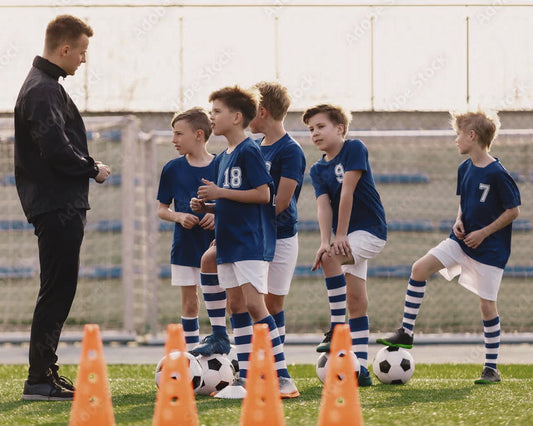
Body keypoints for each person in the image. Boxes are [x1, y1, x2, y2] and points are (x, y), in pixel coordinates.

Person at [377, 110, 520, 384]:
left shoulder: (498, 173)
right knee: (419, 269)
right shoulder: (464, 168)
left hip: (490, 252)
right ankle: (406, 332)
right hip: (460, 243)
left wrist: (484, 233)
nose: (455, 140)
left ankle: (491, 368)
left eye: (458, 134)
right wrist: (458, 220)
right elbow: (463, 202)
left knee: (487, 307)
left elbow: (513, 211)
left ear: (472, 135)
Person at [14, 15, 111, 401]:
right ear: (65, 49)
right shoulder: (43, 89)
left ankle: (44, 372)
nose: (84, 61)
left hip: (57, 203)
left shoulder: (46, 86)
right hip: (56, 205)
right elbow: (54, 148)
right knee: (57, 289)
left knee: (58, 288)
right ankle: (39, 379)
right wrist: (93, 168)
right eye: (82, 52)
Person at [190, 85, 299, 399]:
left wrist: (220, 194)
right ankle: (247, 379)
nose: (212, 117)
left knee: (254, 305)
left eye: (217, 112)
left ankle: (283, 379)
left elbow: (264, 195)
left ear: (237, 117)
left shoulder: (249, 150)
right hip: (228, 241)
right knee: (236, 305)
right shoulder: (225, 155)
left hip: (250, 242)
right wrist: (208, 206)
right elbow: (234, 201)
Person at [303, 104, 387, 387]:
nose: (314, 133)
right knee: (356, 301)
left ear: (339, 128)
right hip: (347, 237)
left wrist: (339, 238)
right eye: (310, 129)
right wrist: (325, 241)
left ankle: (338, 328)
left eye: (320, 126)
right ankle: (361, 367)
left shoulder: (354, 148)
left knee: (330, 259)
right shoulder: (317, 169)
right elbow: (323, 206)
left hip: (370, 231)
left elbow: (348, 191)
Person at [156, 108, 215, 352]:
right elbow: (161, 209)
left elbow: (233, 203)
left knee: (225, 301)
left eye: (179, 134)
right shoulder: (172, 168)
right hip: (184, 246)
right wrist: (179, 217)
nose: (174, 140)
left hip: (216, 246)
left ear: (198, 135)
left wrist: (216, 215)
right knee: (190, 302)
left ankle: (227, 350)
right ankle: (191, 354)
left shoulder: (221, 164)